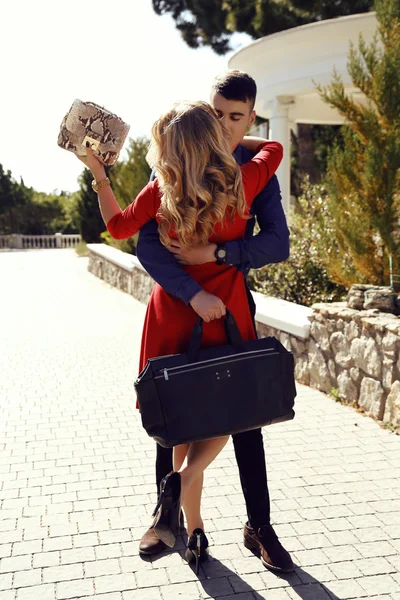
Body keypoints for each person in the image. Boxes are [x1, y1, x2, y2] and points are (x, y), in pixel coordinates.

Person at [76, 100, 286, 574]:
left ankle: (189, 516)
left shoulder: (161, 191)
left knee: (178, 415)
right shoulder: (241, 181)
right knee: (229, 409)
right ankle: (189, 503)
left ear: (170, 148)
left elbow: (116, 227)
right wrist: (226, 141)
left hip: (173, 311)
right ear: (210, 140)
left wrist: (100, 175)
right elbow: (273, 147)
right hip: (224, 309)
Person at [136, 71, 294, 573]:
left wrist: (220, 251)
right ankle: (179, 523)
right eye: (216, 113)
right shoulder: (178, 158)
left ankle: (259, 527)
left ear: (250, 117)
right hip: (178, 307)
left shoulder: (254, 167)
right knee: (173, 416)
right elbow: (143, 242)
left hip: (228, 308)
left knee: (245, 417)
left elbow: (276, 243)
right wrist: (190, 288)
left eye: (236, 117)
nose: (223, 127)